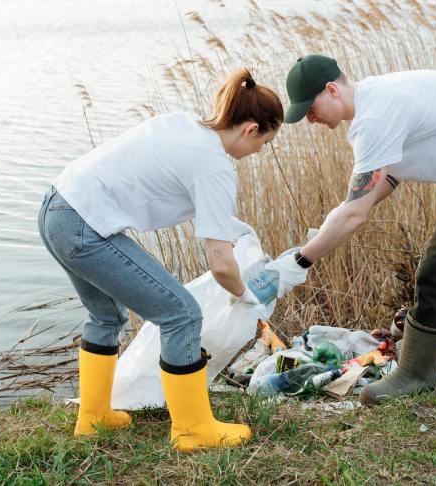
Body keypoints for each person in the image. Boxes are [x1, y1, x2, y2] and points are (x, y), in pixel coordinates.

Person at [266, 55, 436, 404]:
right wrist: (333, 223)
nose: (310, 119)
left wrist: (302, 261)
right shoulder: (377, 99)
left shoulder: (373, 118)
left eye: (310, 108)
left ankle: (416, 374)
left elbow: (355, 214)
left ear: (332, 90)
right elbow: (379, 185)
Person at [38, 69, 283, 450]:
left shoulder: (183, 124)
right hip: (85, 226)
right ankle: (193, 430)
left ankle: (93, 417)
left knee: (106, 316)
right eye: (265, 142)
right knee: (182, 314)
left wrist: (231, 227)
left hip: (57, 208)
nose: (260, 151)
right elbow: (220, 263)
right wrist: (245, 295)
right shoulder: (215, 166)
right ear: (250, 129)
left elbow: (174, 187)